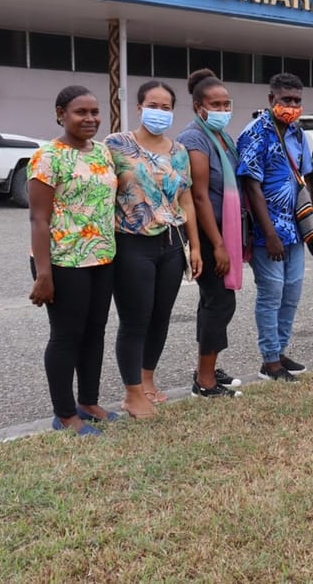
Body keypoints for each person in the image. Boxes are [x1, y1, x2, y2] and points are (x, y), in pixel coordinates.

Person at [106, 80, 201, 418]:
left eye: (166, 107)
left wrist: (195, 248)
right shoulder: (116, 145)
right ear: (138, 107)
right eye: (153, 105)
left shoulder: (178, 151)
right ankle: (132, 393)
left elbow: (186, 198)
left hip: (172, 244)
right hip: (132, 243)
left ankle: (147, 381)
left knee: (160, 316)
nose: (159, 112)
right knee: (135, 318)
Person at [27, 86, 118, 436]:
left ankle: (88, 402)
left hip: (101, 257)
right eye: (81, 112)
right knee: (67, 335)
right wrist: (43, 273)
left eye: (95, 112)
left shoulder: (103, 153)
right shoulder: (48, 156)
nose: (91, 119)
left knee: (95, 333)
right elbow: (39, 219)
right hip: (63, 262)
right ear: (61, 113)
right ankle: (64, 414)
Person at [236, 72, 312, 381]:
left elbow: (305, 182)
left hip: (295, 230)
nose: (292, 105)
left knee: (291, 293)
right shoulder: (255, 133)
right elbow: (252, 188)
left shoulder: (297, 133)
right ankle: (269, 361)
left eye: (296, 100)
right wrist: (269, 235)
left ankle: (279, 351)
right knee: (271, 295)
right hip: (268, 233)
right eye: (286, 100)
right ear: (271, 100)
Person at [178, 69, 244, 398]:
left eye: (226, 103)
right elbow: (199, 194)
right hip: (209, 234)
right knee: (219, 302)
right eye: (214, 104)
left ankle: (209, 366)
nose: (221, 109)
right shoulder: (195, 138)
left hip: (225, 231)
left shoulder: (223, 137)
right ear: (198, 107)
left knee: (218, 301)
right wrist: (216, 245)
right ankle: (204, 380)